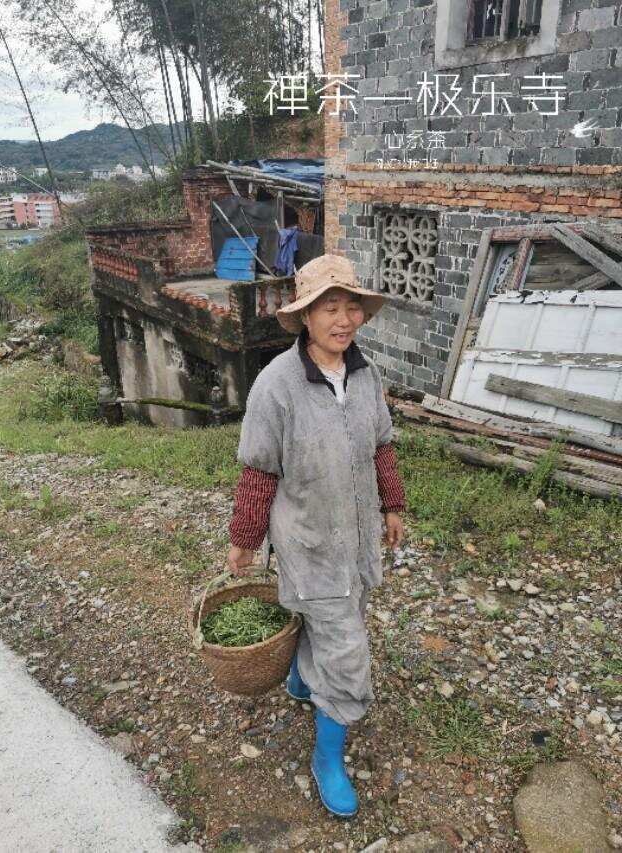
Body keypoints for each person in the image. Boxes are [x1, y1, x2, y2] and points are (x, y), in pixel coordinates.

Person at [227, 254, 405, 818]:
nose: (344, 319)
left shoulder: (366, 374)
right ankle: (327, 758)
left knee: (338, 611)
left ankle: (305, 682)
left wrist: (393, 505)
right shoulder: (275, 386)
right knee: (348, 652)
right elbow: (260, 469)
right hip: (306, 538)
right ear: (306, 316)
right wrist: (244, 539)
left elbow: (381, 444)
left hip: (355, 538)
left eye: (352, 306)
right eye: (330, 307)